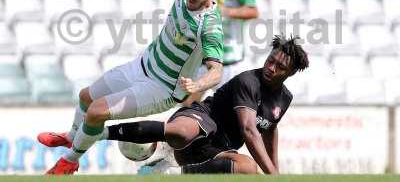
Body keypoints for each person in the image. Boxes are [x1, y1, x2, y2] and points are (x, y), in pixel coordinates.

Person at [37, 0, 224, 175]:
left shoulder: (209, 25)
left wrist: (198, 86)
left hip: (162, 88)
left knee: (98, 110)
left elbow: (216, 70)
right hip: (142, 65)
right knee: (86, 97)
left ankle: (71, 160)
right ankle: (72, 136)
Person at [102, 35, 309, 174]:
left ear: (290, 72)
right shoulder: (248, 81)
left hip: (215, 150)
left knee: (247, 168)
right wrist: (273, 176)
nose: (271, 67)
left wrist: (276, 170)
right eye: (271, 60)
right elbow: (249, 130)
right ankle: (103, 133)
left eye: (280, 66)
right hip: (199, 120)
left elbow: (269, 129)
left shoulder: (284, 98)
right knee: (183, 131)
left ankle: (182, 172)